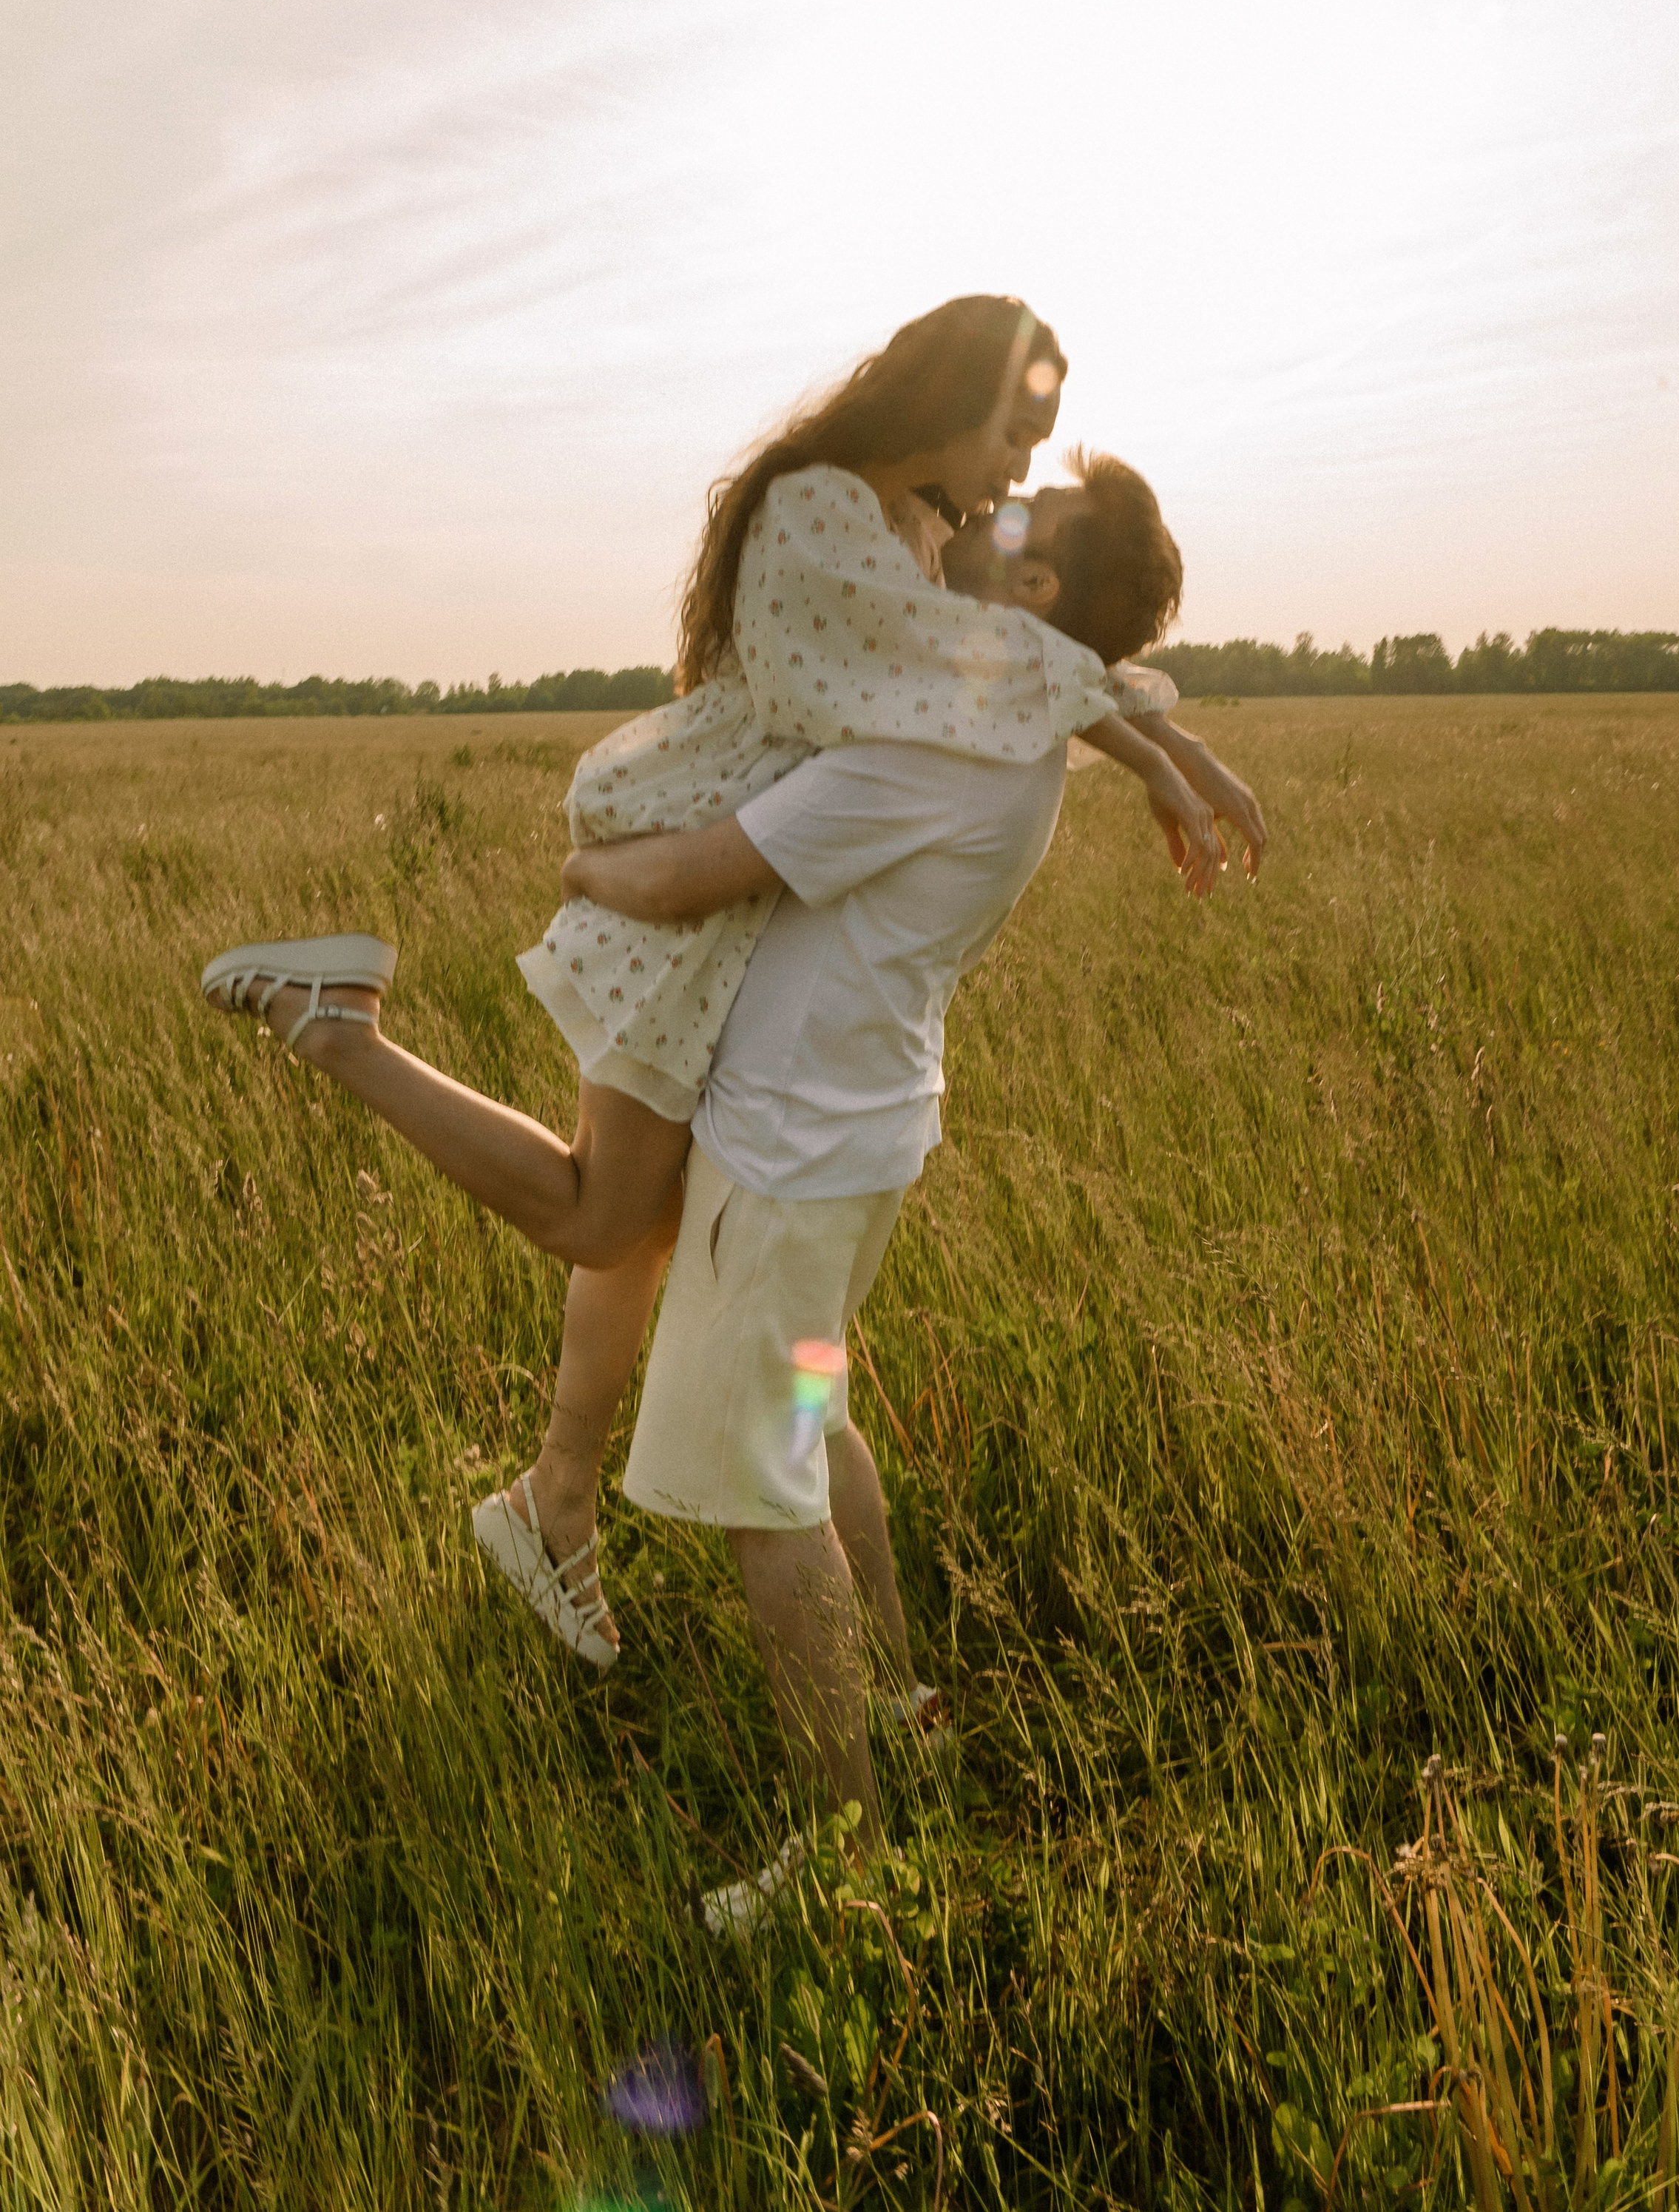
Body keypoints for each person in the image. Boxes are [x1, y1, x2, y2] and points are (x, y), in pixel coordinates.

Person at [197, 296, 1268, 1654]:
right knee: (604, 1220)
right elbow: (984, 664)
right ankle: (337, 1027)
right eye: (1017, 432)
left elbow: (999, 667)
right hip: (691, 862)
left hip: (744, 877)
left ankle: (558, 1506)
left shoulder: (923, 528)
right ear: (945, 398)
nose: (1016, 471)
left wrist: (1167, 747)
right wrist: (1168, 753)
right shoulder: (819, 512)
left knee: (638, 1226)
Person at [572, 479, 1266, 1933]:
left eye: (1023, 518)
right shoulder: (990, 724)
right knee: (816, 1424)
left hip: (784, 1152)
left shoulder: (921, 760)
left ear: (1021, 602)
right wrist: (1161, 745)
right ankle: (895, 1705)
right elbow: (1056, 678)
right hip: (861, 1129)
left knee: (769, 1508)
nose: (986, 507)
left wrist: (586, 863)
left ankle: (842, 1853)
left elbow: (703, 871)